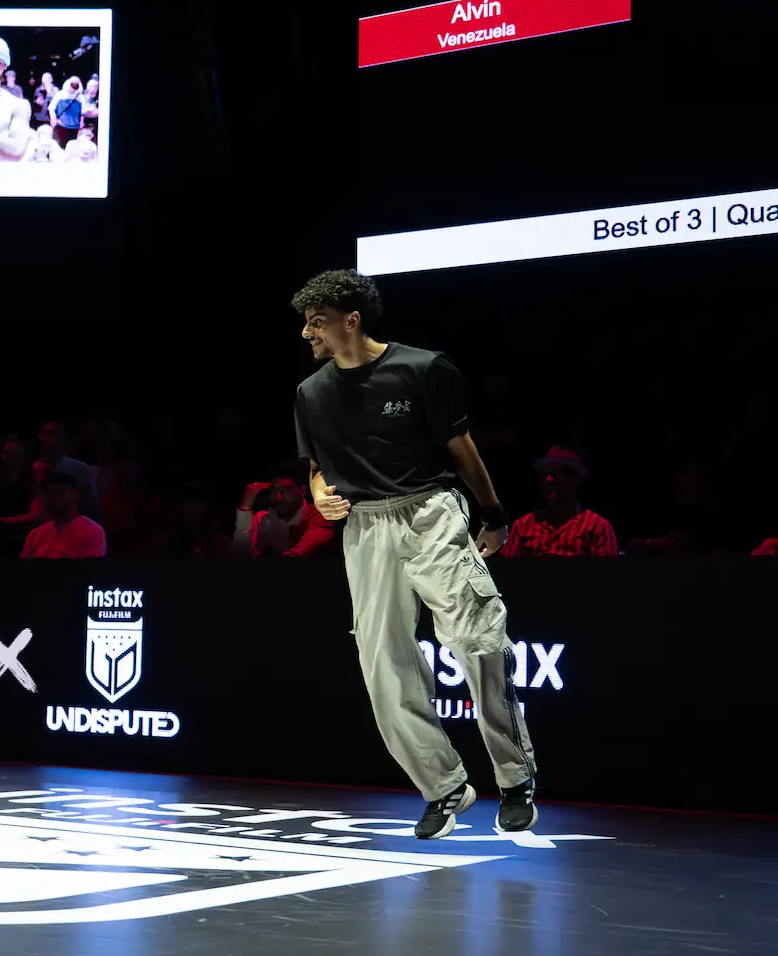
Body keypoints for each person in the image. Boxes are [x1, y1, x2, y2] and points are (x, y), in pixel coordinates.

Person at [291, 269, 536, 838]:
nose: (307, 333)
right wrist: (319, 497)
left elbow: (462, 447)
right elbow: (316, 469)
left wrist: (494, 513)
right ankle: (445, 786)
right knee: (384, 666)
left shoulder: (424, 368)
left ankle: (514, 775)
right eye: (306, 323)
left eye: (316, 321)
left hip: (431, 510)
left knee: (477, 642)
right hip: (365, 528)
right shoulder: (311, 393)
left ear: (351, 321)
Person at [500, 447, 618, 558]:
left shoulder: (598, 528)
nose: (549, 480)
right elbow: (505, 572)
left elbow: (607, 576)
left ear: (576, 479)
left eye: (556, 473)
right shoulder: (523, 526)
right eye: (545, 474)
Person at [232, 460, 338, 558]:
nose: (278, 497)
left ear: (302, 491)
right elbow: (239, 556)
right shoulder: (264, 518)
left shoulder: (319, 515)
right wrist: (246, 505)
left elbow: (301, 552)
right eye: (274, 490)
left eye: (285, 489)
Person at [20, 470, 107, 559]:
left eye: (59, 493)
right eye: (50, 494)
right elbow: (24, 570)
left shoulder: (93, 531)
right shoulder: (35, 535)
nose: (54, 498)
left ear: (75, 495)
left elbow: (92, 570)